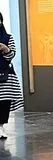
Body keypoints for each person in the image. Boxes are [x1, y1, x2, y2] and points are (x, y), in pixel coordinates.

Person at [0, 12, 23, 140]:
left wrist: (6, 49)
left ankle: (1, 127)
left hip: (5, 77)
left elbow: (11, 56)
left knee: (4, 103)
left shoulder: (8, 38)